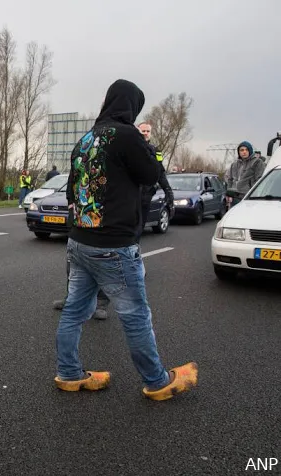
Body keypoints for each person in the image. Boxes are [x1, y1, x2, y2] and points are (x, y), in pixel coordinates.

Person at [55, 79, 197, 401]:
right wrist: (146, 145)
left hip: (79, 241)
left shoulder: (85, 139)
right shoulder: (127, 135)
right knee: (135, 314)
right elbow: (150, 175)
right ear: (130, 107)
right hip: (114, 245)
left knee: (75, 311)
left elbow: (73, 186)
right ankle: (157, 381)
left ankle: (68, 373)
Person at [137, 122, 174, 239]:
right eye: (143, 131)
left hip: (146, 195)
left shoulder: (156, 150)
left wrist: (168, 191)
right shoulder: (133, 147)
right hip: (132, 194)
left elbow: (160, 172)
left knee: (139, 228)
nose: (146, 133)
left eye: (148, 131)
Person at [225, 141, 265, 208]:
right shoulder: (234, 164)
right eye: (242, 150)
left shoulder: (257, 162)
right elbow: (230, 179)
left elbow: (259, 180)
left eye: (246, 150)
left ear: (250, 150)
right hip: (235, 197)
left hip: (248, 197)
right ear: (239, 152)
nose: (244, 152)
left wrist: (255, 195)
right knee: (234, 217)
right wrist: (228, 193)